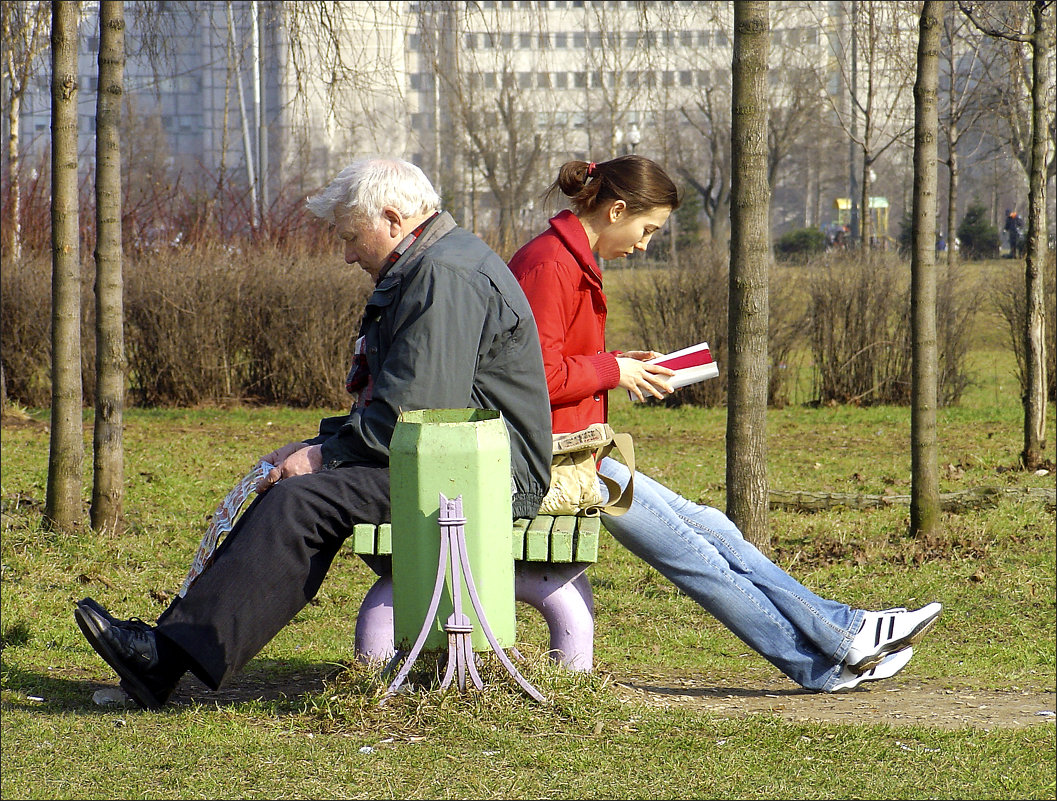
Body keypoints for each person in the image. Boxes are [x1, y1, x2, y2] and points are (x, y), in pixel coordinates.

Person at [74, 157, 553, 709]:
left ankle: (167, 655)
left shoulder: (444, 276)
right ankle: (168, 652)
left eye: (352, 237)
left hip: (485, 481)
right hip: (456, 461)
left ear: (394, 221)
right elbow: (411, 409)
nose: (347, 254)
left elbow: (411, 413)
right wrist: (316, 446)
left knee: (301, 502)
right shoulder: (436, 264)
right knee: (297, 489)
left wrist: (324, 457)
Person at [508, 156, 942, 693]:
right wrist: (612, 369)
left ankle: (842, 637)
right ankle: (830, 657)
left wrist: (623, 363)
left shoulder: (565, 258)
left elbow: (553, 359)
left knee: (711, 525)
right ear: (616, 209)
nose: (645, 244)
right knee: (695, 557)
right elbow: (529, 377)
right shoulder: (550, 264)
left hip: (576, 455)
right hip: (551, 464)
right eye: (647, 230)